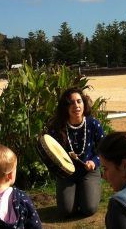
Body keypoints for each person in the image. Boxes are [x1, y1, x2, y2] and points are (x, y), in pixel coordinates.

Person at [47, 87, 105, 217]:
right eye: (71, 103)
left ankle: (88, 191)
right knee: (66, 211)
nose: (76, 106)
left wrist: (95, 162)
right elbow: (49, 151)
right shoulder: (57, 127)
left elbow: (104, 148)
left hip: (89, 171)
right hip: (66, 173)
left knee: (89, 209)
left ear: (84, 103)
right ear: (65, 107)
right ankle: (78, 193)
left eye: (79, 101)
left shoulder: (93, 124)